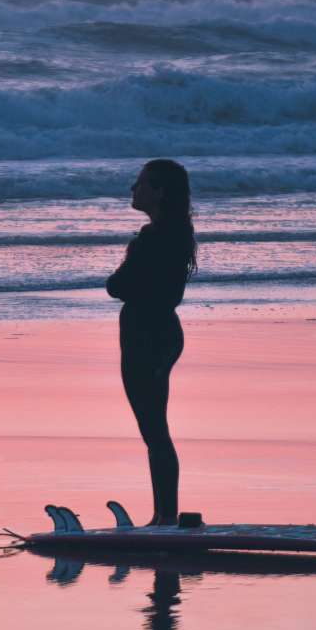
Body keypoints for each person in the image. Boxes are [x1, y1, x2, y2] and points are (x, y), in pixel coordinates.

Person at [106, 159, 197, 525]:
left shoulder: (154, 238)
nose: (133, 189)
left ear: (158, 191)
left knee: (154, 432)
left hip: (147, 337)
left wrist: (131, 261)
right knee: (156, 430)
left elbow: (117, 286)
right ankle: (164, 515)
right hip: (162, 333)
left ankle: (164, 518)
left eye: (140, 182)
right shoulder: (174, 233)